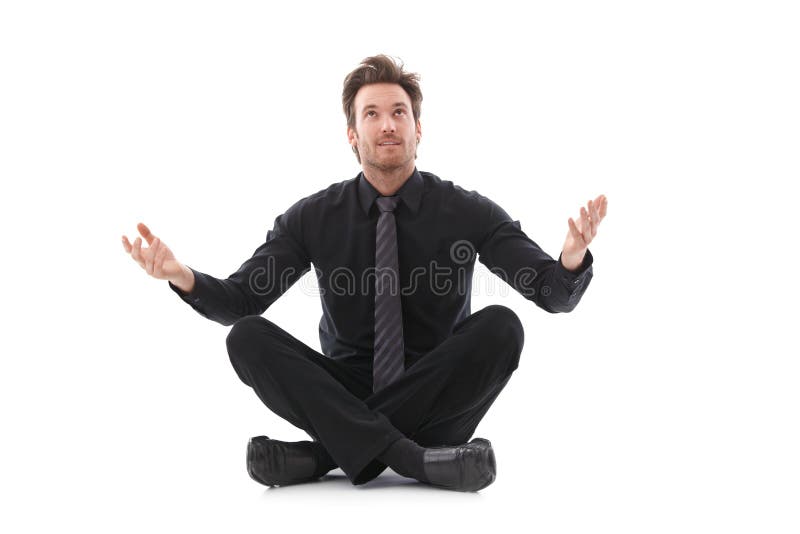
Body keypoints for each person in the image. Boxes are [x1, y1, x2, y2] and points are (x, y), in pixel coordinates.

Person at [121, 54, 608, 492]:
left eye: (399, 113)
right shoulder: (312, 217)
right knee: (247, 337)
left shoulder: (468, 211)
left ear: (419, 128)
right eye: (371, 114)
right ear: (353, 134)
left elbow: (551, 294)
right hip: (343, 392)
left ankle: (326, 456)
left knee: (503, 327)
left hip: (436, 397)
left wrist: (570, 260)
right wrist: (181, 274)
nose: (388, 125)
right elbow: (242, 300)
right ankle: (413, 460)